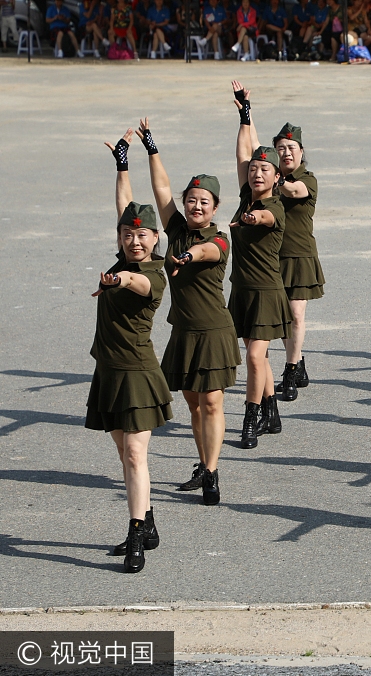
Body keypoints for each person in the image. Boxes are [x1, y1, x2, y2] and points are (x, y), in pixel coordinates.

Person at [135, 118, 240, 507]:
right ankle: (202, 461)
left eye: (204, 202)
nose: (195, 205)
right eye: (191, 199)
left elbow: (208, 253)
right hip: (183, 330)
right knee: (194, 402)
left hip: (213, 331)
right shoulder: (176, 225)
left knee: (212, 401)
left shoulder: (218, 237)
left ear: (214, 208)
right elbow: (161, 188)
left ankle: (212, 472)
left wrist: (186, 255)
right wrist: (151, 147)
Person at [92, 129, 173, 574]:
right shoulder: (123, 252)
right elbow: (124, 205)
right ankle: (149, 520)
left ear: (156, 239)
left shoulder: (152, 274)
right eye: (128, 234)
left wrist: (117, 280)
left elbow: (137, 283)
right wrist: (122, 163)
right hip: (108, 370)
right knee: (124, 454)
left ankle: (136, 532)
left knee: (137, 455)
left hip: (138, 374)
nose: (135, 240)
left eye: (142, 235)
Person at [241, 119, 325, 402]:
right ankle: (297, 361)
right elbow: (253, 152)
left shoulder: (306, 180)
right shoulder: (265, 178)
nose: (287, 152)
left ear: (301, 152)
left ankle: (290, 370)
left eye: (291, 148)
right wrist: (247, 117)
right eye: (281, 148)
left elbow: (293, 191)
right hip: (269, 259)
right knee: (274, 320)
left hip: (299, 256)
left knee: (295, 315)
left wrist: (276, 177)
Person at [230, 81, 292, 449]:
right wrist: (244, 114)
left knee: (254, 356)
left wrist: (252, 220)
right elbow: (242, 153)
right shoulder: (244, 195)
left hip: (268, 293)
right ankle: (272, 410)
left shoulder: (274, 207)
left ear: (276, 178)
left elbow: (264, 219)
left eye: (263, 171)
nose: (256, 174)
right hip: (243, 290)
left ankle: (250, 417)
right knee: (259, 356)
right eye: (254, 170)